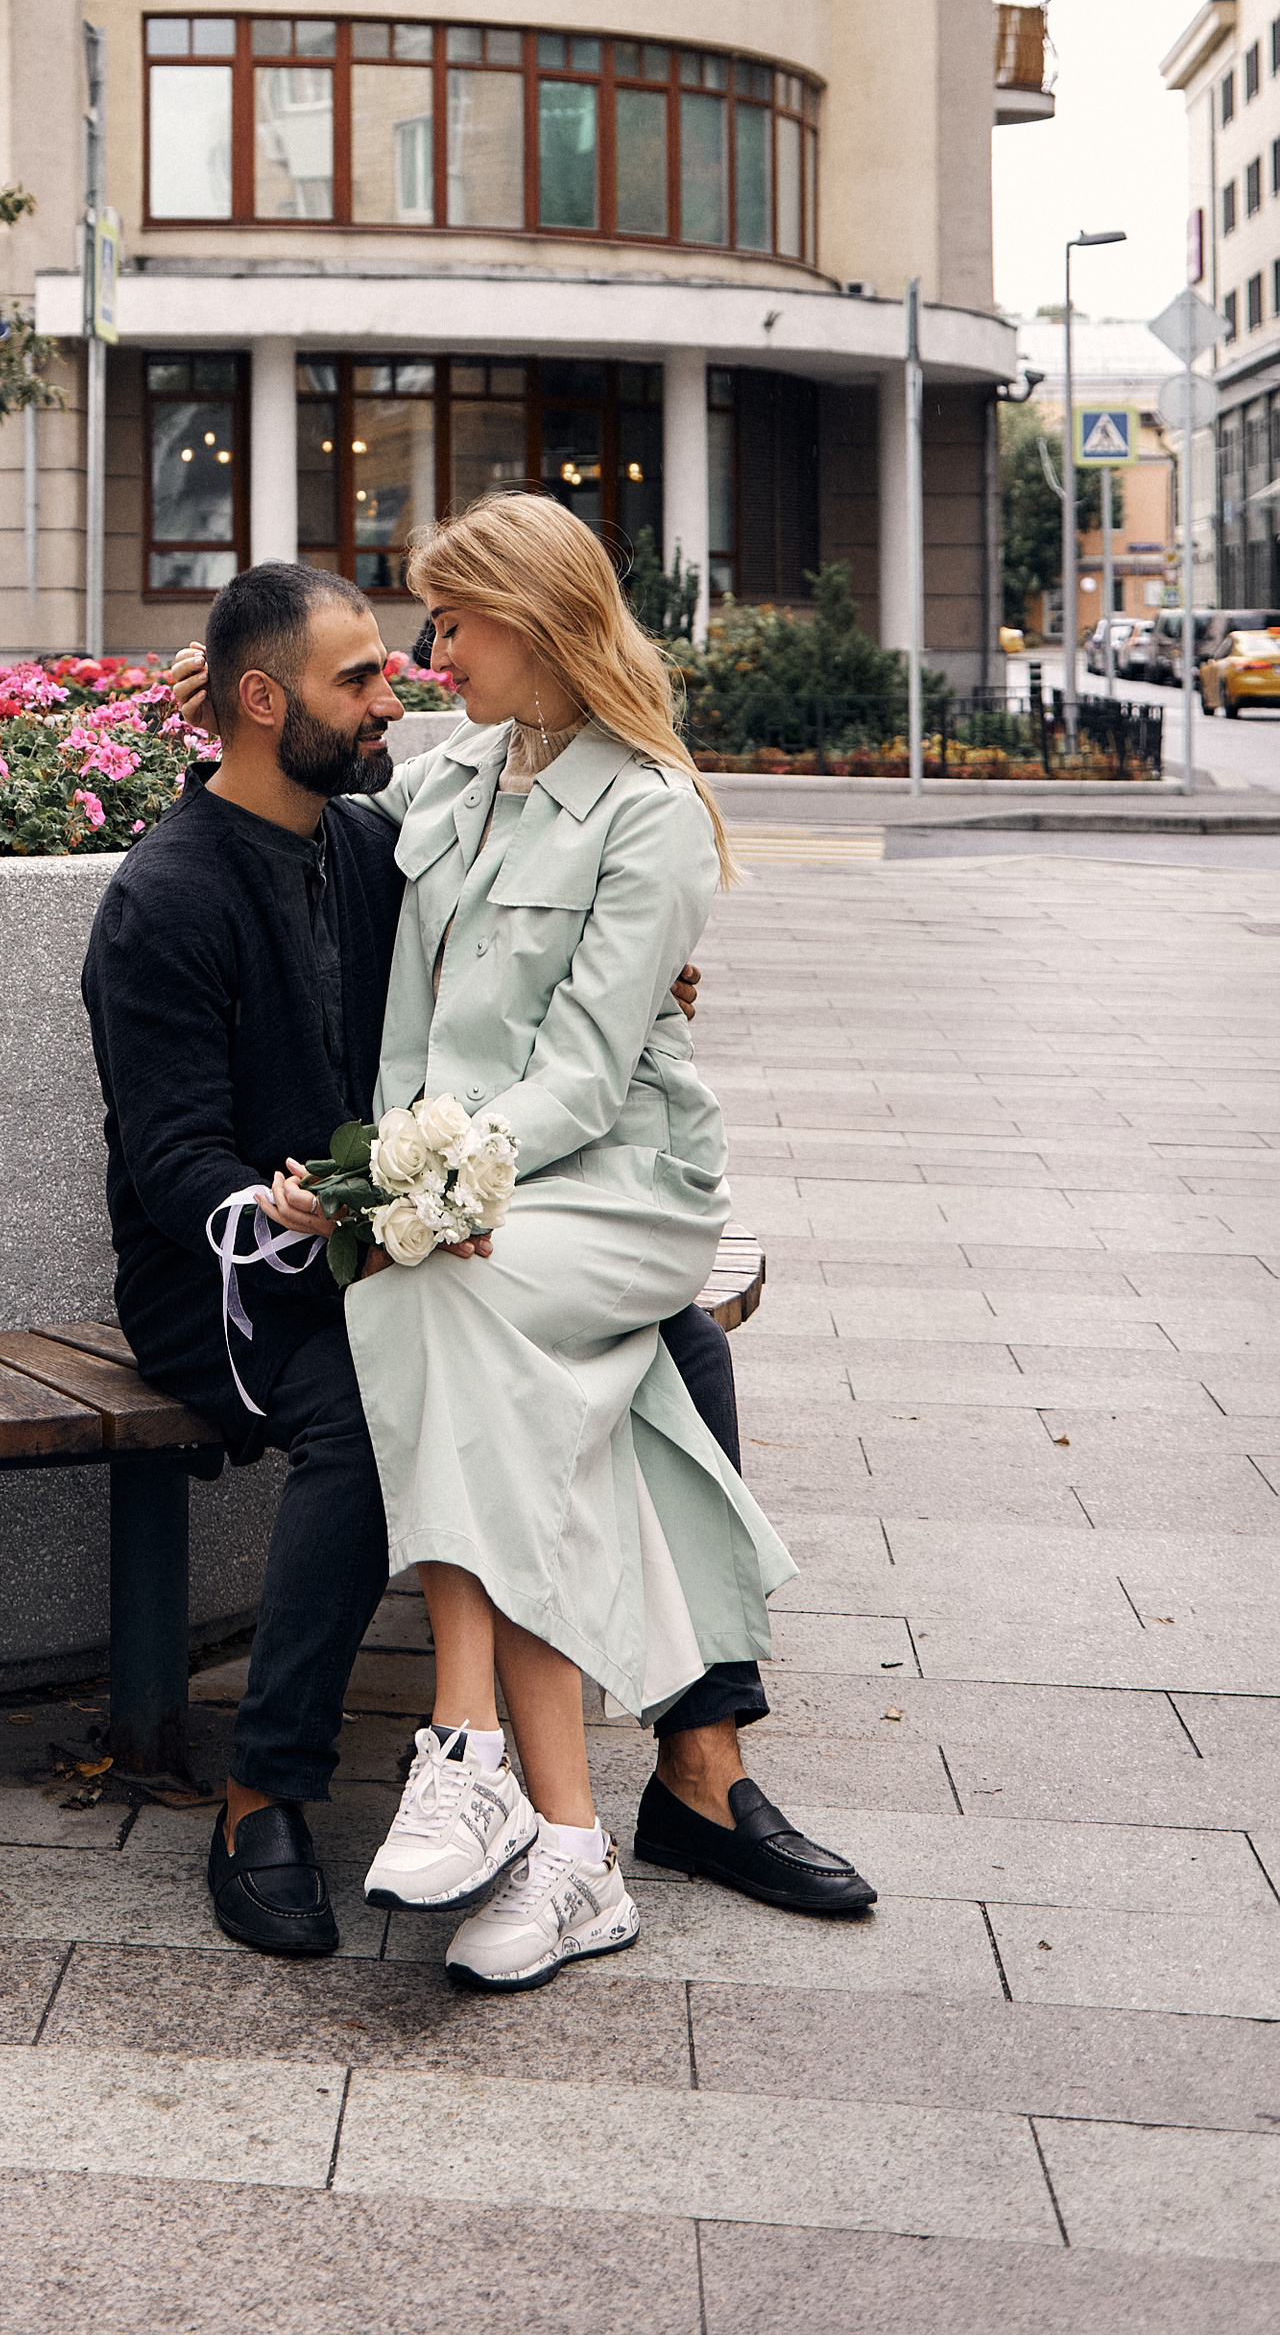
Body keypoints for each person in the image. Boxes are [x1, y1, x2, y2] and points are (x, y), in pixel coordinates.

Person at [102, 557, 871, 1965]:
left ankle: (699, 1770)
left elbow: (535, 900)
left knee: (672, 1339)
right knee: (374, 1400)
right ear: (271, 705)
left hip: (398, 1226)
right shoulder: (169, 894)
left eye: (417, 655)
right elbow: (169, 1172)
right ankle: (266, 1787)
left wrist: (648, 981)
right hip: (233, 1273)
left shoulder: (372, 828)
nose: (406, 684)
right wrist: (289, 1209)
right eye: (367, 677)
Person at [305, 490, 826, 1991]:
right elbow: (310, 824)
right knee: (463, 1348)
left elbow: (591, 1081)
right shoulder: (457, 778)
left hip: (616, 1188)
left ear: (535, 622)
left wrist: (442, 1184)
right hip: (478, 1196)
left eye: (455, 623)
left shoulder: (650, 808)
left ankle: (471, 1756)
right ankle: (567, 1844)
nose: (432, 651)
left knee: (422, 1301)